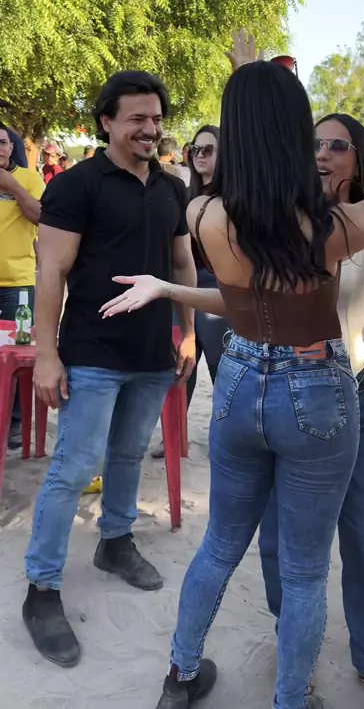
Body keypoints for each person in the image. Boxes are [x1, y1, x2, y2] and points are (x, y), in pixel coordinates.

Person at [100, 21, 364, 709]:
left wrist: (244, 82)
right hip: (318, 386)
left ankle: (181, 675)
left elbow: (239, 273)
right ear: (295, 133)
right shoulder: (328, 230)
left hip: (241, 377)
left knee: (220, 546)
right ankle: (289, 701)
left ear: (235, 135)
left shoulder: (205, 213)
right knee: (304, 572)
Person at [23, 70, 197, 669]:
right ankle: (41, 588)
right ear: (106, 122)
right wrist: (47, 355)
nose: (150, 129)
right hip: (92, 352)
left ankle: (115, 543)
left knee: (128, 456)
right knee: (73, 468)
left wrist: (188, 332)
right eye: (137, 119)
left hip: (152, 354)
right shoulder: (76, 186)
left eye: (156, 119)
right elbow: (51, 273)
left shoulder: (171, 188)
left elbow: (182, 263)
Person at [258, 113, 364, 709]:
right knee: (279, 538)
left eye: (337, 145)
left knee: (362, 536)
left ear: (358, 157)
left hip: (353, 390)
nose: (323, 154)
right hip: (289, 390)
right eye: (314, 144)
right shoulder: (285, 222)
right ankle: (293, 646)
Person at [0, 126, 44, 448]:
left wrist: (11, 186)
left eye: (2, 142)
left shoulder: (29, 180)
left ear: (11, 147)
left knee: (19, 354)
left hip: (18, 284)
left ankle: (15, 422)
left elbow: (42, 217)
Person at [185, 126, 229, 407]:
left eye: (208, 149)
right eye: (195, 149)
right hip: (182, 287)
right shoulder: (184, 194)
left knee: (221, 368)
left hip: (217, 287)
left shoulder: (234, 198)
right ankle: (175, 431)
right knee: (180, 370)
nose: (199, 155)